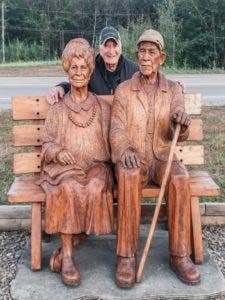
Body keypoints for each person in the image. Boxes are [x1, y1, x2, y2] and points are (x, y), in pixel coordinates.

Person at [110, 29, 200, 288]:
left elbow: (178, 134)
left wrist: (181, 124)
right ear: (136, 55)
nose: (145, 57)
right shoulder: (125, 90)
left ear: (162, 57)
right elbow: (116, 128)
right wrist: (125, 149)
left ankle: (179, 255)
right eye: (141, 51)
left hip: (162, 156)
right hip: (135, 158)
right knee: (127, 176)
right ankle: (126, 255)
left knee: (180, 178)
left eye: (152, 52)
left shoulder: (173, 90)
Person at [37, 39, 114, 286]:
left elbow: (114, 140)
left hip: (95, 166)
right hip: (65, 171)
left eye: (83, 67)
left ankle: (77, 238)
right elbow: (47, 145)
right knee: (68, 189)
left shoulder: (101, 108)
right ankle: (68, 256)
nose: (78, 72)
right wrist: (59, 152)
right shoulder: (59, 109)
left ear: (90, 70)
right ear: (67, 71)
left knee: (96, 186)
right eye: (73, 68)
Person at [47, 26, 138, 104]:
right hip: (98, 120)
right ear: (100, 48)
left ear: (121, 47)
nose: (111, 51)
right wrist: (61, 87)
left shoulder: (134, 70)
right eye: (106, 46)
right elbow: (76, 83)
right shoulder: (90, 67)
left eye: (115, 45)